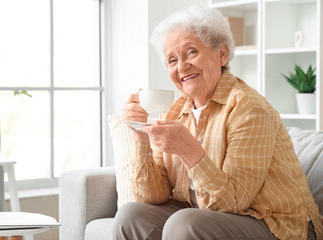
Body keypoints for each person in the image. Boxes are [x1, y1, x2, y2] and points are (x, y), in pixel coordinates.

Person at [113, 5, 323, 240]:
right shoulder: (175, 111)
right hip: (209, 214)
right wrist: (140, 136)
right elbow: (153, 195)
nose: (181, 66)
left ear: (222, 54)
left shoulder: (248, 108)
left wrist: (188, 149)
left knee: (184, 224)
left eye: (191, 52)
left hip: (275, 223)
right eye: (172, 60)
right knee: (130, 215)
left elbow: (234, 200)